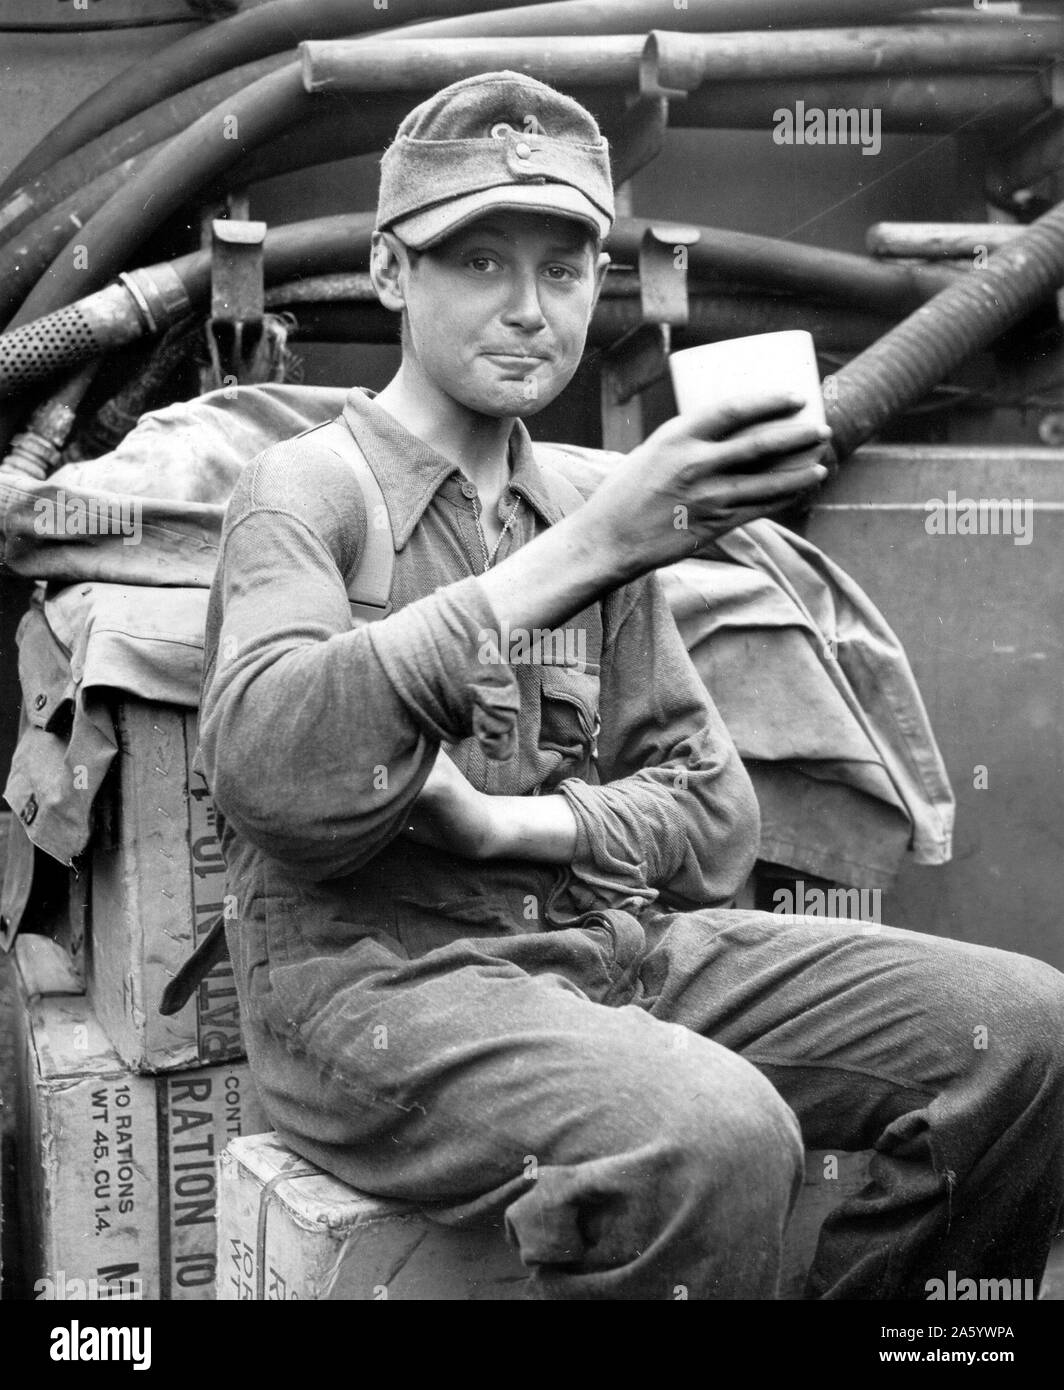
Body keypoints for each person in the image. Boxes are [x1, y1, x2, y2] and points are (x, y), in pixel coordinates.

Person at [198, 71, 1064, 1300]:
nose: (526, 310)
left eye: (560, 270)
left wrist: (515, 822)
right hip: (377, 987)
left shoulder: (577, 503)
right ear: (391, 273)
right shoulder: (309, 495)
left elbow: (713, 820)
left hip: (610, 947)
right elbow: (273, 774)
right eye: (478, 261)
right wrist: (588, 548)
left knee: (1026, 1032)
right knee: (708, 1135)